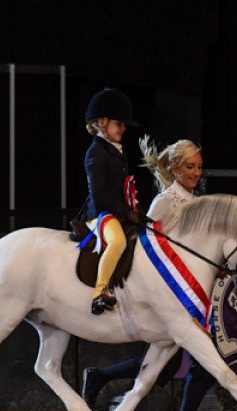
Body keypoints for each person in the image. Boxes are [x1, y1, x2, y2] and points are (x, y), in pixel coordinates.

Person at [82, 135, 217, 411]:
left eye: (199, 167)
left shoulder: (195, 201)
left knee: (171, 368)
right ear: (174, 168)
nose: (197, 173)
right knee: (188, 365)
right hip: (169, 297)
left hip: (187, 296)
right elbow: (149, 249)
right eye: (191, 167)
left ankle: (101, 377)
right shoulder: (166, 201)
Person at [83, 87, 145, 315]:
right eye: (118, 123)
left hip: (116, 210)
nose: (123, 128)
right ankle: (99, 293)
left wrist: (135, 211)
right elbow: (100, 194)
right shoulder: (96, 152)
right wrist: (124, 212)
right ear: (101, 123)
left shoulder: (116, 151)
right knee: (117, 241)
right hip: (99, 213)